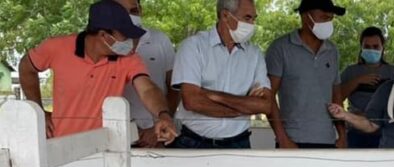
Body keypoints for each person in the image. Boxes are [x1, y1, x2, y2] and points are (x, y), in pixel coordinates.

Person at [18, 0, 176, 144]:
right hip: (60, 146)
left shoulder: (128, 58)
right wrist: (38, 111)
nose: (131, 41)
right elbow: (26, 68)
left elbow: (147, 88)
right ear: (104, 36)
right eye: (125, 35)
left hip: (105, 147)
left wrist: (163, 115)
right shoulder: (56, 47)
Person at [170, 0, 272, 149]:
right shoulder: (193, 47)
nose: (252, 24)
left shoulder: (254, 54)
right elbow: (192, 101)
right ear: (225, 15)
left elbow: (266, 105)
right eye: (247, 18)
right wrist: (245, 106)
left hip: (239, 143)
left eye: (254, 19)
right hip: (194, 142)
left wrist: (213, 95)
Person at [266, 0, 347, 148]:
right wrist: (283, 139)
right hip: (293, 140)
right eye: (323, 18)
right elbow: (268, 96)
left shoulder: (332, 51)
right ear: (305, 17)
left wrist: (342, 135)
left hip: (328, 140)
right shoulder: (281, 48)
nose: (328, 23)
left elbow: (337, 97)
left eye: (330, 19)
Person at [114, 0, 178, 148]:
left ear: (141, 10)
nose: (130, 16)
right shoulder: (107, 45)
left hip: (156, 133)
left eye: (134, 11)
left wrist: (162, 122)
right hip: (115, 134)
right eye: (123, 12)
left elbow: (174, 88)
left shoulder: (160, 40)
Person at [339, 27, 394, 148]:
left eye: (376, 47)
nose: (371, 50)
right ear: (361, 47)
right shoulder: (350, 71)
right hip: (356, 132)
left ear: (382, 48)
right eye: (367, 47)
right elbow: (337, 97)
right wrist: (358, 81)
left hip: (386, 132)